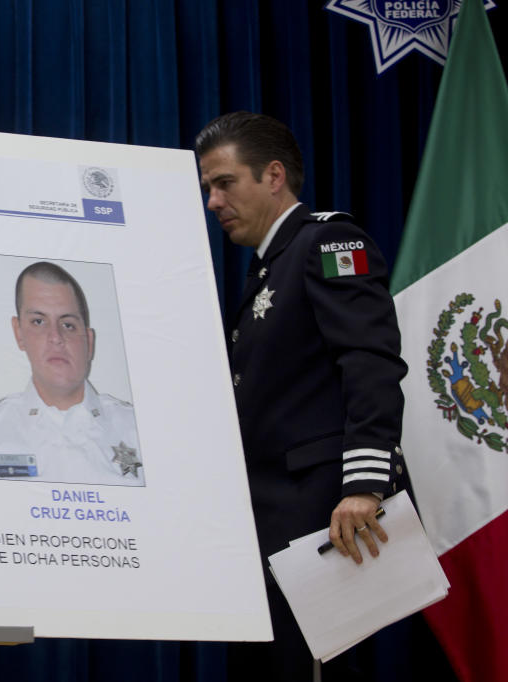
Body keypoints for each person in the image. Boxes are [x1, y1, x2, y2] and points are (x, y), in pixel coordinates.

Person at [195, 111, 411, 679]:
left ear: (272, 176)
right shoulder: (268, 269)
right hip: (269, 523)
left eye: (224, 183)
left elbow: (370, 362)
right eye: (208, 189)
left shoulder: (329, 241)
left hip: (321, 519)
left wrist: (366, 484)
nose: (213, 202)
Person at [0, 261, 143, 486]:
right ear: (19, 333)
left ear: (89, 341)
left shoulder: (137, 430)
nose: (56, 337)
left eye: (68, 325)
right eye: (39, 322)